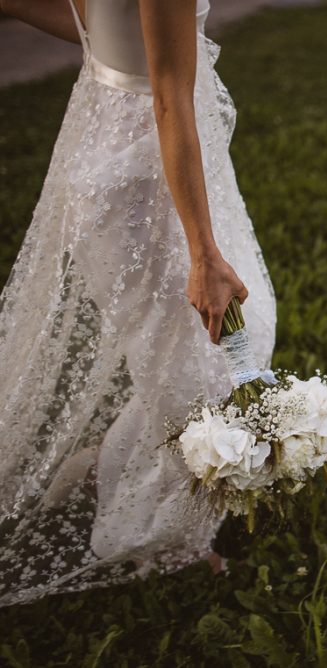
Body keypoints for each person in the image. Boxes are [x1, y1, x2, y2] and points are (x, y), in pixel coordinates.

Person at [0, 0, 276, 607]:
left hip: (129, 155)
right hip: (142, 173)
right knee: (197, 367)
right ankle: (150, 532)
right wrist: (204, 256)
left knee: (220, 343)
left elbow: (87, 19)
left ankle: (114, 471)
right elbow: (169, 97)